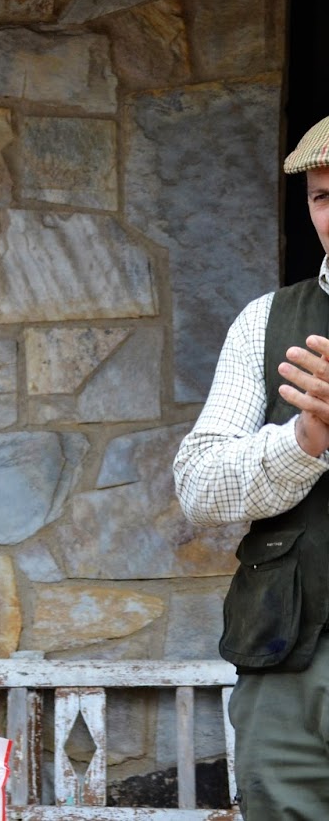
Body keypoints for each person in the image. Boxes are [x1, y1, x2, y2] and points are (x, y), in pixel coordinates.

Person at [173, 116, 329, 821]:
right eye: (322, 196)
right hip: (287, 666)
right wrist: (305, 439)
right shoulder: (266, 320)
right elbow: (198, 484)